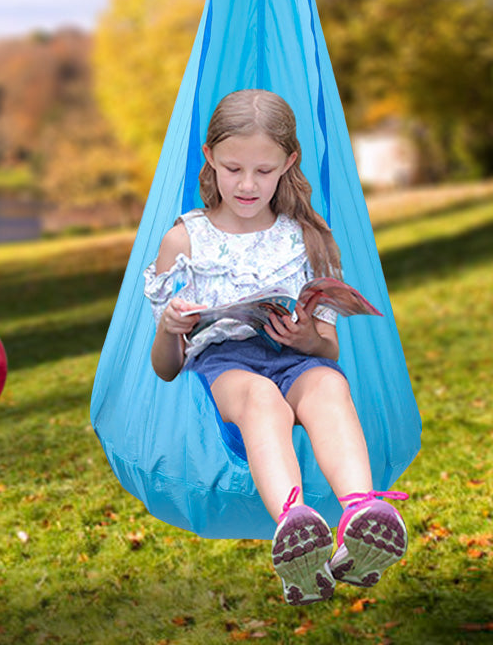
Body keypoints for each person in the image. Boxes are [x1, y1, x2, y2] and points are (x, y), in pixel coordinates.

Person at [146, 90, 407, 605]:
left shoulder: (308, 237)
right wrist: (171, 326)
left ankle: (360, 514)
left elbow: (327, 349)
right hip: (228, 366)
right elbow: (165, 370)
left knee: (330, 385)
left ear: (288, 163)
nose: (247, 184)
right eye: (233, 168)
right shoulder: (185, 240)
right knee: (262, 398)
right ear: (209, 159)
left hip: (295, 357)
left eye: (263, 171)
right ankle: (296, 530)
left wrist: (306, 336)